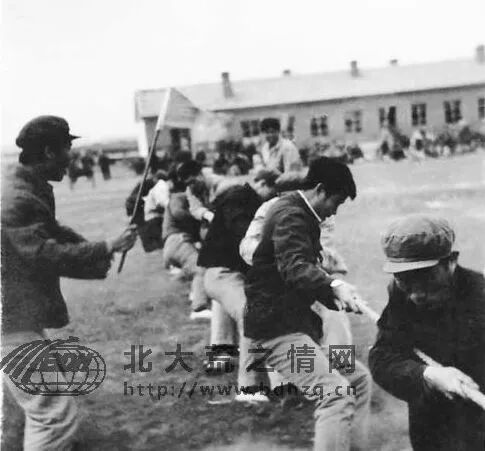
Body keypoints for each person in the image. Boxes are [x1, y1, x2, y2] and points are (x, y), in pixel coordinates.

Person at [1, 115, 138, 451]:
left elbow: (54, 233)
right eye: (67, 148)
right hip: (9, 319)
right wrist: (106, 248)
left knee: (17, 412)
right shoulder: (17, 198)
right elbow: (43, 252)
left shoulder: (27, 188)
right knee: (53, 413)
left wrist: (100, 253)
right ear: (49, 151)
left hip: (14, 316)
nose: (70, 157)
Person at [243, 158, 371, 450]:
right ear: (320, 189)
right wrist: (334, 285)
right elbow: (296, 267)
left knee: (358, 379)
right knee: (335, 394)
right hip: (276, 332)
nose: (334, 212)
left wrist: (338, 297)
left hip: (294, 328)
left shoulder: (299, 212)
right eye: (336, 202)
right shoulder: (291, 215)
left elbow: (300, 274)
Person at [369, 216, 485, 451]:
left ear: (451, 262)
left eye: (425, 278)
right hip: (430, 425)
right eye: (404, 280)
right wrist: (428, 375)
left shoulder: (480, 296)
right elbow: (383, 358)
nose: (416, 295)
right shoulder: (400, 293)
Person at [197, 169, 280, 401]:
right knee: (250, 314)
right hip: (222, 274)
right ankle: (249, 387)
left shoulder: (240, 198)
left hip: (225, 273)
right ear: (262, 184)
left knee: (244, 308)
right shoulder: (240, 199)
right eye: (274, 193)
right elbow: (242, 235)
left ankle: (223, 356)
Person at [161, 160, 211, 317]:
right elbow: (178, 213)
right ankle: (199, 308)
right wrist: (200, 218)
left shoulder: (181, 197)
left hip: (177, 244)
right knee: (200, 268)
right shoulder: (178, 196)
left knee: (198, 265)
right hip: (178, 241)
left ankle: (194, 294)